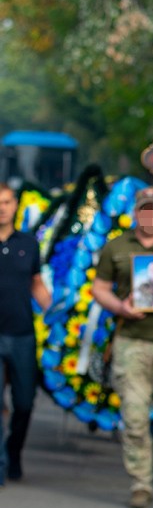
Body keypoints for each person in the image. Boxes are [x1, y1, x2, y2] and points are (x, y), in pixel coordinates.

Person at [92, 187, 153, 508]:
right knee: (134, 416)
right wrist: (120, 307)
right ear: (136, 213)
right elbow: (99, 288)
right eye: (144, 210)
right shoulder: (116, 248)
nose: (150, 216)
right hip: (131, 341)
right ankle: (141, 483)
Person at [0, 183, 51, 484]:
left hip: (21, 333)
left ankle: (14, 451)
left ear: (15, 205)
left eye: (6, 202)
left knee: (24, 403)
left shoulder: (28, 243)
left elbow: (36, 283)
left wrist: (54, 311)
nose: (1, 207)